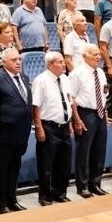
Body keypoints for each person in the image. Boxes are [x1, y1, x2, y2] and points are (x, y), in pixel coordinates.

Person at [0, 47, 32, 213]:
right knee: (1, 168)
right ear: (4, 62)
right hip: (3, 133)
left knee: (14, 167)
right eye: (14, 60)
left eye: (19, 59)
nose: (18, 62)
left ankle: (12, 199)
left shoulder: (25, 78)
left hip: (21, 131)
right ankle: (2, 202)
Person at [67, 44, 109, 197]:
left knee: (99, 150)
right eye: (94, 54)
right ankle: (82, 186)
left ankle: (95, 183)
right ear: (84, 56)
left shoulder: (100, 72)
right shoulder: (77, 73)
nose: (98, 57)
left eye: (99, 54)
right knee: (83, 151)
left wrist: (106, 115)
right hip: (85, 114)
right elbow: (71, 98)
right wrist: (76, 119)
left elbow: (104, 94)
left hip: (100, 113)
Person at [31, 52, 73, 205]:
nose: (64, 64)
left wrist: (69, 122)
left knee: (64, 163)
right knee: (46, 164)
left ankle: (60, 193)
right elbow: (36, 106)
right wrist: (39, 127)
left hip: (64, 126)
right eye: (60, 62)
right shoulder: (41, 80)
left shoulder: (65, 78)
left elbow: (67, 100)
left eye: (63, 61)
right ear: (50, 65)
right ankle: (45, 195)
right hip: (48, 126)